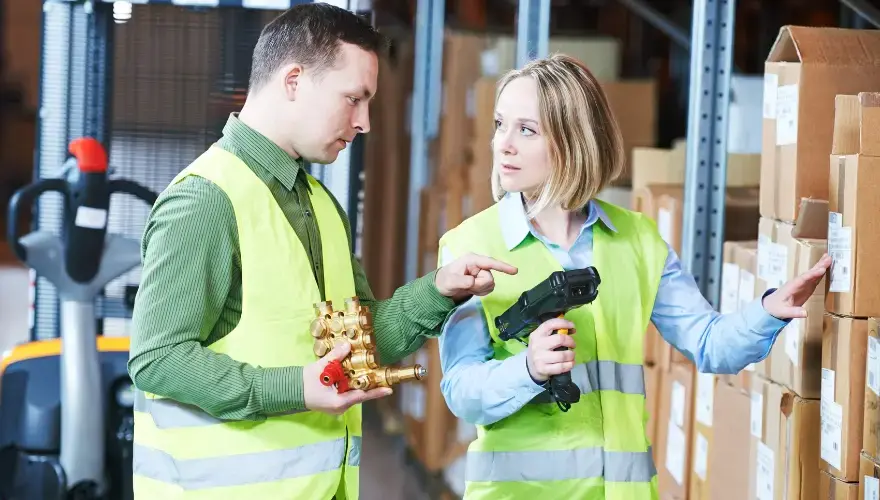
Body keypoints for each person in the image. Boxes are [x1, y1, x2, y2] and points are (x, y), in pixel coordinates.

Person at [127, 4, 516, 500]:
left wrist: (439, 290)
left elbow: (354, 347)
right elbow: (157, 359)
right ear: (293, 80)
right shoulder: (205, 200)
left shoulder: (320, 204)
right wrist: (298, 389)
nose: (365, 122)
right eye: (353, 99)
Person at [436, 54, 831, 499]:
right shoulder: (468, 246)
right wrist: (527, 369)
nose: (503, 144)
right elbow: (461, 390)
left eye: (526, 130)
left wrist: (767, 311)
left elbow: (708, 343)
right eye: (499, 124)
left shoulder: (638, 240)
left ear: (574, 141)